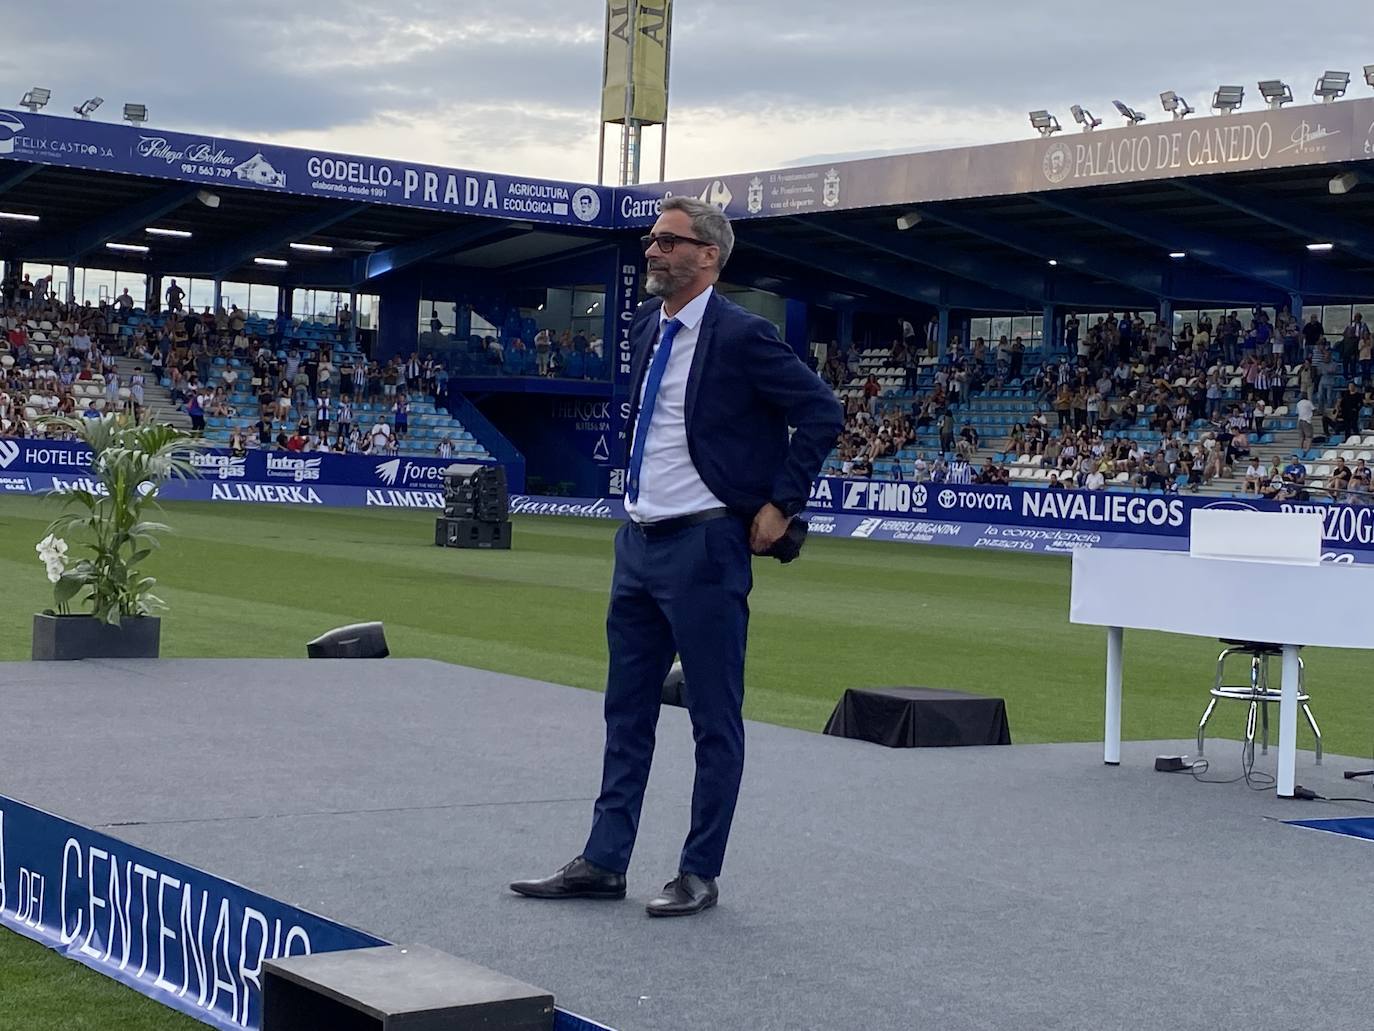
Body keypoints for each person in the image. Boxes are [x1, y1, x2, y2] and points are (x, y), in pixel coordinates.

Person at [510, 196, 843, 917]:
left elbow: (823, 410)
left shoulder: (745, 335)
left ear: (708, 256)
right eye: (650, 239)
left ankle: (699, 869)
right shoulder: (643, 326)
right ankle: (603, 860)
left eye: (667, 241)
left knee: (712, 716)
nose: (652, 251)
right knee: (624, 711)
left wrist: (781, 502)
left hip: (705, 543)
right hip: (638, 541)